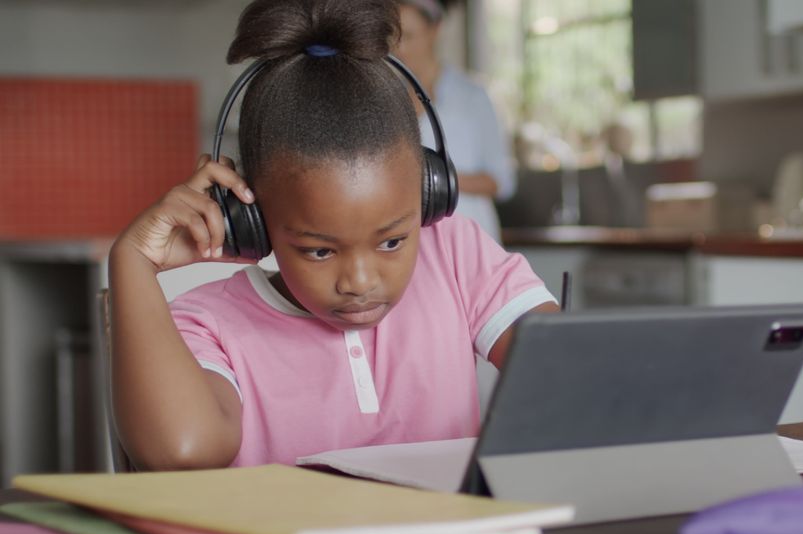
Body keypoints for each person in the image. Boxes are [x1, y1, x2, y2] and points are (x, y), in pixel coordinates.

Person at [108, 0, 558, 471]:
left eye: (391, 242)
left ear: (429, 196)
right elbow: (184, 453)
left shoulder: (455, 258)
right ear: (251, 217)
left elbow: (574, 377)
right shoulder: (206, 325)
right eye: (319, 250)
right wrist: (132, 261)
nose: (360, 281)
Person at [393, 0, 514, 243]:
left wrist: (429, 179)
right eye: (395, 38)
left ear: (435, 30)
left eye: (409, 36)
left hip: (472, 239)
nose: (401, 48)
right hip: (415, 242)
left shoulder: (473, 97)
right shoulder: (390, 100)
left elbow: (501, 181)